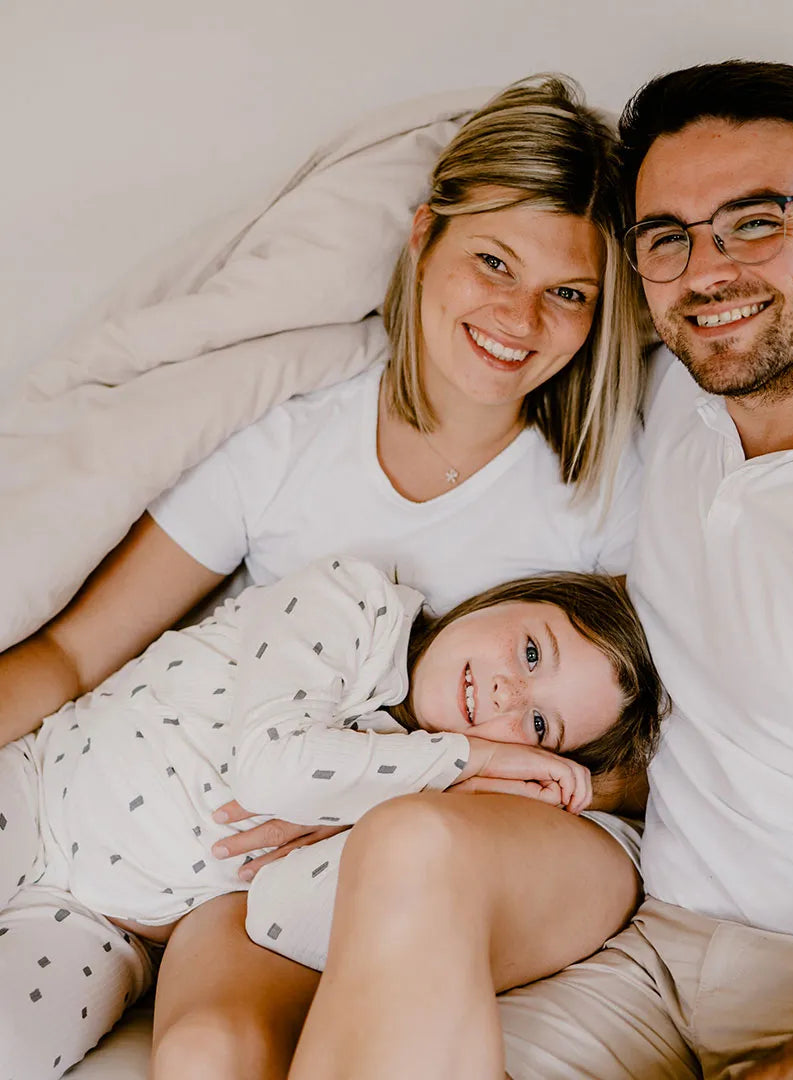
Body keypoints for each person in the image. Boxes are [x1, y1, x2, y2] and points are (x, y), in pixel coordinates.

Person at [286, 62, 793, 1080]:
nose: (707, 273)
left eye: (758, 222)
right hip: (659, 956)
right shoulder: (676, 400)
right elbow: (478, 275)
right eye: (669, 236)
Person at [0, 75, 652, 1080]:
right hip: (150, 786)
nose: (519, 316)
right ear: (423, 237)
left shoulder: (600, 497)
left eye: (568, 293)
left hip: (277, 877)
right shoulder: (293, 436)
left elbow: (629, 737)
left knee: (213, 1050)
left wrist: (388, 795)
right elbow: (76, 651)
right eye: (493, 261)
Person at [0, 554, 664, 1078]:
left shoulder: (417, 801)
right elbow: (272, 767)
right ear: (509, 598)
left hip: (103, 932)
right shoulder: (354, 602)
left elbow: (276, 912)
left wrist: (470, 788)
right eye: (531, 652)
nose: (507, 693)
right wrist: (467, 756)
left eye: (539, 725)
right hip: (37, 789)